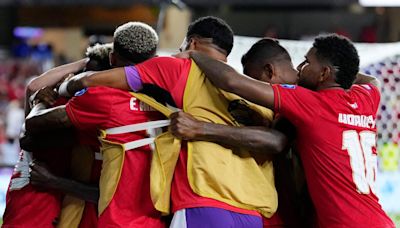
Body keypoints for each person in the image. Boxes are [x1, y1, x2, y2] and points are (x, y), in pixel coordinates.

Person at [58, 16, 283, 228]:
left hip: (204, 201)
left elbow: (92, 80)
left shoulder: (178, 68)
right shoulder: (254, 91)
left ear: (191, 43)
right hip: (254, 211)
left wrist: (64, 86)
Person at [182, 33, 395, 227]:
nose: (301, 67)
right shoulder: (366, 98)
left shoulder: (310, 103)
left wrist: (194, 55)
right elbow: (372, 81)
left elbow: (232, 81)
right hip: (379, 220)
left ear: (323, 73)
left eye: (307, 62)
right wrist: (342, 71)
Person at [24, 21, 167, 228]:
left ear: (112, 58)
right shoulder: (175, 97)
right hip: (159, 220)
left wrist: (42, 100)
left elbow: (32, 126)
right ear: (154, 59)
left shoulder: (102, 98)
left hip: (117, 221)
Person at [170, 38, 313, 228]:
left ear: (269, 71)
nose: (250, 96)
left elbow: (276, 141)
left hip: (295, 212)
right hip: (277, 208)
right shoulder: (302, 93)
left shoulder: (298, 96)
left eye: (253, 82)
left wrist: (200, 128)